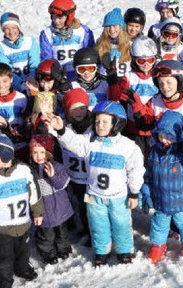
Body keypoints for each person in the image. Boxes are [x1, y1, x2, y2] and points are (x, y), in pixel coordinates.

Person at [43, 101, 145, 266]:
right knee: (98, 225)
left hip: (118, 197)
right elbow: (74, 143)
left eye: (105, 121)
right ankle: (101, 250)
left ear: (116, 123)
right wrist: (61, 129)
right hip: (94, 195)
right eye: (97, 121)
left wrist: (134, 192)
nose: (100, 125)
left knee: (121, 224)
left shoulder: (127, 146)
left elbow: (136, 170)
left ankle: (124, 249)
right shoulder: (90, 142)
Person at [0, 134, 42, 288]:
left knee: (23, 251)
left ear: (8, 153)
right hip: (1, 227)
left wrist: (37, 211)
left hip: (22, 223)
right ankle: (3, 281)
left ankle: (22, 268)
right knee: (2, 257)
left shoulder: (23, 170)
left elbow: (34, 192)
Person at [142, 111, 183, 264]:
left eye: (169, 136)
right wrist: (145, 193)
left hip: (181, 201)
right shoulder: (153, 153)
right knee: (159, 225)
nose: (164, 140)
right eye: (161, 135)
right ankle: (158, 246)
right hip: (161, 200)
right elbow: (148, 175)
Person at [108, 35, 159, 155]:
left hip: (154, 126)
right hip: (133, 128)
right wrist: (113, 83)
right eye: (141, 61)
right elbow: (116, 98)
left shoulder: (158, 76)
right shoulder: (129, 77)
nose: (146, 64)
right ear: (134, 60)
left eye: (150, 60)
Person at [29, 134, 73, 265]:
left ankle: (63, 249)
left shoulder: (57, 166)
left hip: (60, 209)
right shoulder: (31, 171)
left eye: (42, 152)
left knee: (62, 233)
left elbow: (62, 184)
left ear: (48, 152)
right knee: (46, 235)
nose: (39, 156)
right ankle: (48, 254)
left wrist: (53, 176)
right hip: (44, 211)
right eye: (35, 153)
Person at [60, 88, 93, 243]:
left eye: (82, 108)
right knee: (79, 205)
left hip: (91, 177)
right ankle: (84, 230)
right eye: (74, 108)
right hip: (74, 177)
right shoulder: (64, 127)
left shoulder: (94, 126)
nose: (79, 112)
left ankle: (95, 231)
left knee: (92, 207)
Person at [40, 0, 95, 81]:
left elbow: (90, 57)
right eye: (53, 17)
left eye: (60, 17)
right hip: (59, 77)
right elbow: (47, 59)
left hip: (81, 76)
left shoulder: (83, 32)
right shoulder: (47, 34)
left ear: (69, 16)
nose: (56, 21)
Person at [0, 12, 41, 93]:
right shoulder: (0, 48)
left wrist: (32, 79)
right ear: (3, 30)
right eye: (7, 29)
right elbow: (6, 71)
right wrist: (21, 85)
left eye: (14, 28)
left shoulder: (30, 42)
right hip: (14, 86)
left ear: (18, 28)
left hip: (33, 83)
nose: (11, 32)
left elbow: (35, 63)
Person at [96, 7, 132, 78]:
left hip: (124, 83)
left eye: (114, 26)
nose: (111, 29)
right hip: (105, 82)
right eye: (108, 26)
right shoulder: (100, 44)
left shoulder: (129, 44)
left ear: (121, 27)